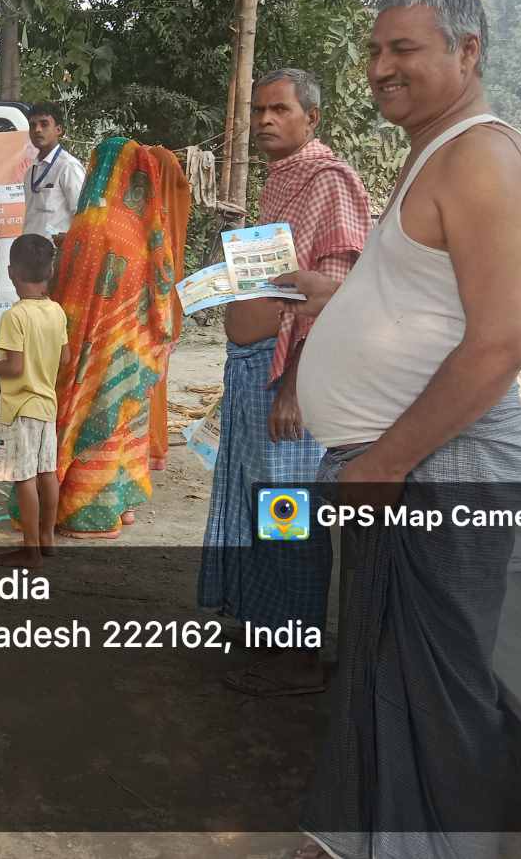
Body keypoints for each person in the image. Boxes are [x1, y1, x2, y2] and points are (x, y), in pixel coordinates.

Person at [282, 0, 521, 859]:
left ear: (467, 53)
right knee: (384, 672)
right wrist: (337, 294)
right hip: (408, 464)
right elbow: (427, 297)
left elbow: (501, 342)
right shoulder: (433, 153)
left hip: (438, 466)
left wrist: (385, 461)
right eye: (374, 51)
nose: (380, 67)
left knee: (434, 690)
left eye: (404, 49)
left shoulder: (482, 159)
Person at [197, 68, 371, 698]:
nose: (265, 120)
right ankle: (268, 629)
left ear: (311, 118)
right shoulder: (280, 183)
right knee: (259, 510)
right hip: (252, 375)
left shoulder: (331, 182)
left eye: (280, 109)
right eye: (258, 110)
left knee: (286, 518)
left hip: (288, 382)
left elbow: (333, 297)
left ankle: (298, 658)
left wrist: (295, 387)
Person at [48, 138, 189, 537]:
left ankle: (88, 514)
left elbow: (66, 295)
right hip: (133, 350)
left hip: (91, 349)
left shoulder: (86, 226)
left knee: (92, 421)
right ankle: (123, 507)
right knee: (125, 423)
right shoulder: (146, 228)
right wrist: (160, 337)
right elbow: (162, 286)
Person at [0, 234, 69, 569]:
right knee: (47, 472)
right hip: (46, 404)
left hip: (21, 408)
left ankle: (30, 550)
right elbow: (65, 357)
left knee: (24, 477)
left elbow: (14, 367)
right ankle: (47, 539)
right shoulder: (56, 311)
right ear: (50, 271)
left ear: (11, 272)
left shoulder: (15, 316)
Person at [21, 103, 86, 245]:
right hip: (30, 251)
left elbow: (83, 216)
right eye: (32, 125)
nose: (37, 130)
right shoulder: (31, 171)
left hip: (56, 253)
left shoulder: (68, 166)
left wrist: (67, 242)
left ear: (58, 129)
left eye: (44, 124)